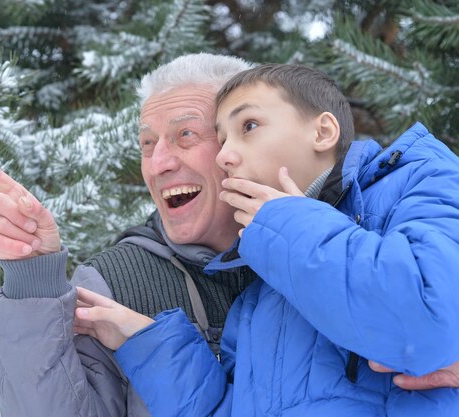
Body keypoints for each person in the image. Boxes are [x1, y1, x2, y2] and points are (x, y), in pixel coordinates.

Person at [72, 64, 459, 416]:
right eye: (221, 141)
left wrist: (283, 222)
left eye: (249, 126)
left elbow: (426, 323)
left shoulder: (419, 178)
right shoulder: (261, 290)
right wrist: (148, 341)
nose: (225, 157)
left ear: (322, 131)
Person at [0, 53, 256, 416]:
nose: (159, 163)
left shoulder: (317, 257)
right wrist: (33, 279)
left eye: (186, 134)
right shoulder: (117, 284)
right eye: (148, 143)